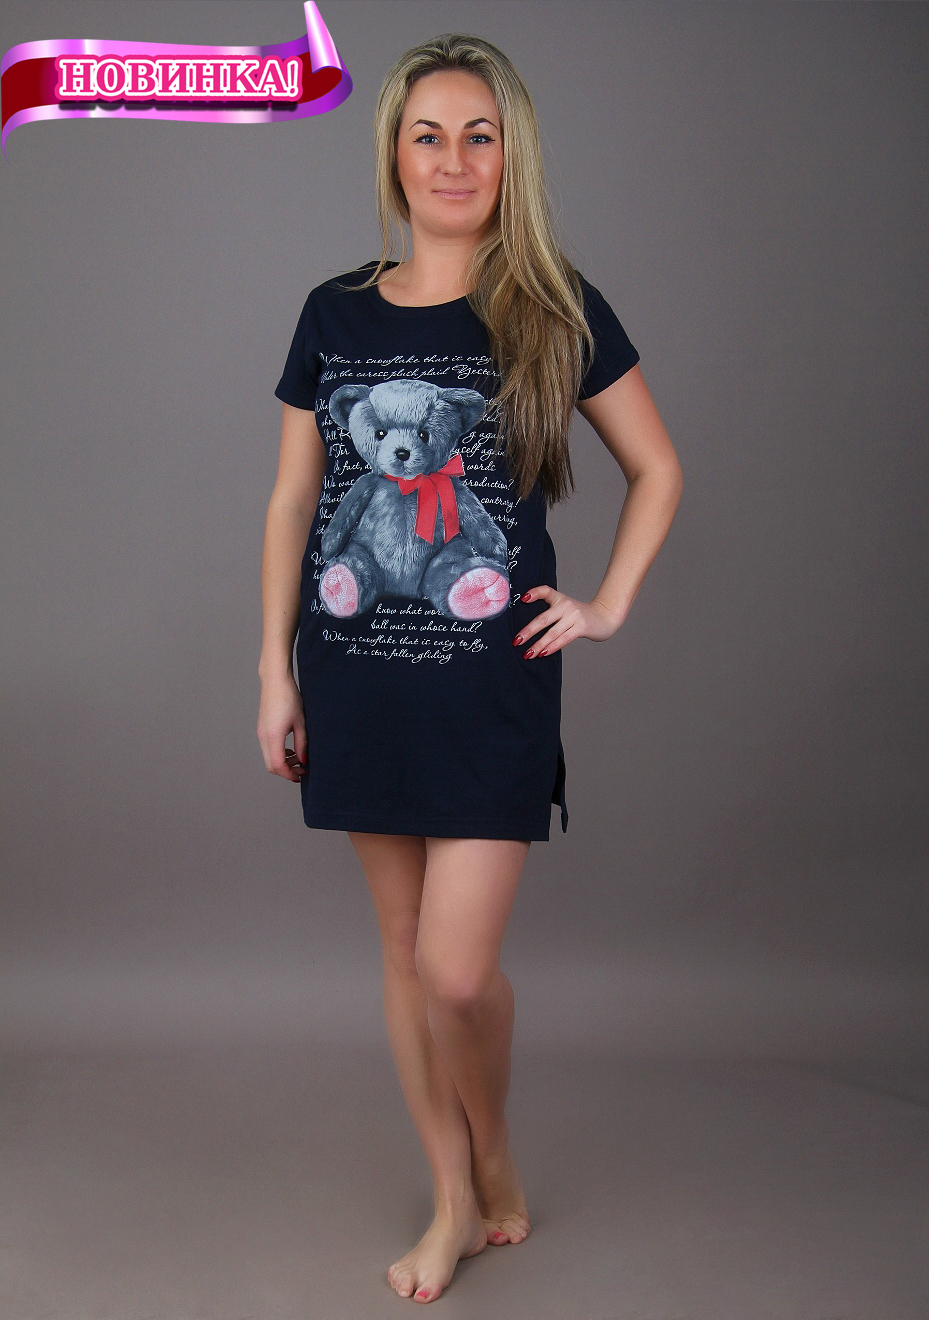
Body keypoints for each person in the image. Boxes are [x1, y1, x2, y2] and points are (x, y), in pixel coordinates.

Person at [257, 32, 683, 1305]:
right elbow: (293, 503)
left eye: (478, 136)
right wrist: (274, 672)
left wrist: (605, 606)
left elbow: (657, 467)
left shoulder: (551, 305)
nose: (453, 160)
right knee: (401, 952)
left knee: (453, 968)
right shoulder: (331, 311)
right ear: (392, 155)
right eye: (427, 135)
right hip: (356, 679)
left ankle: (490, 1139)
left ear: (511, 157)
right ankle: (454, 1193)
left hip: (488, 690)